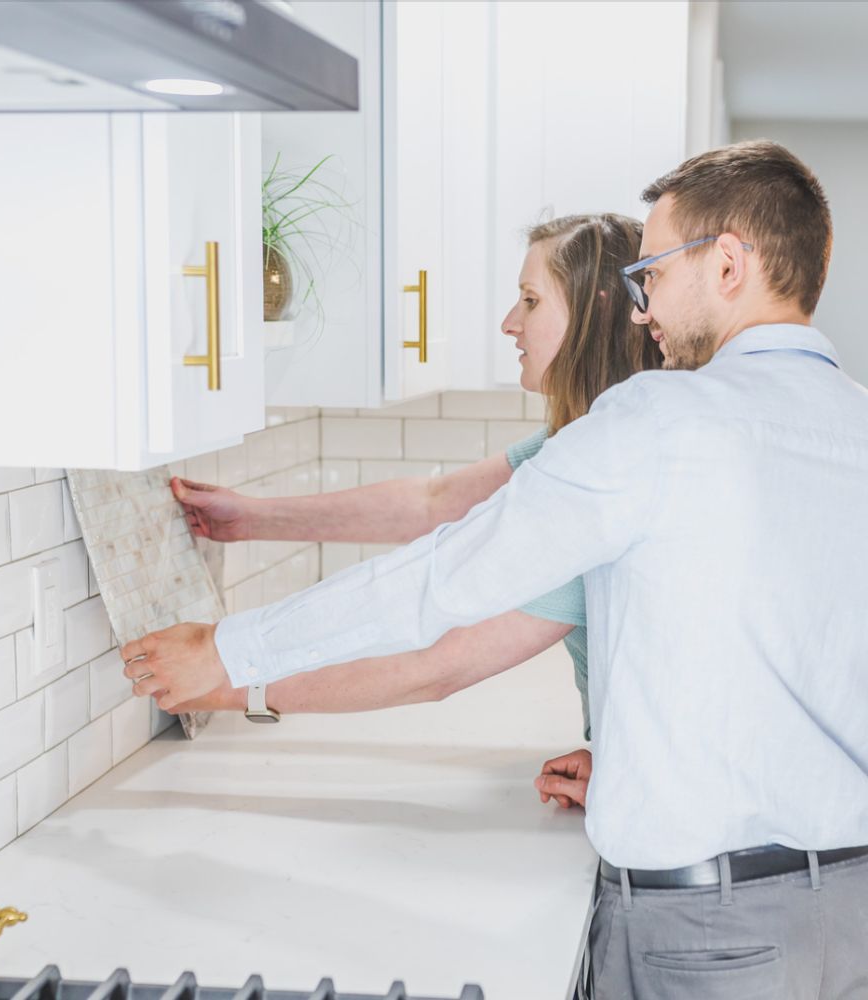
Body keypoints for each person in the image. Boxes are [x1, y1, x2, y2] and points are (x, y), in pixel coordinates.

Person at [124, 140, 868, 998]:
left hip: (711, 937)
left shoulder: (661, 422)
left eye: (653, 275)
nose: (640, 309)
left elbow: (446, 579)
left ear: (730, 264)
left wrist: (231, 652)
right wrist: (646, 773)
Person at [166, 212, 657, 810]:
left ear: (596, 310)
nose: (510, 322)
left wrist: (224, 682)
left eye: (530, 301)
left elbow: (439, 665)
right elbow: (437, 502)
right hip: (645, 782)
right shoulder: (584, 440)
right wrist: (254, 518)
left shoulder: (600, 473)